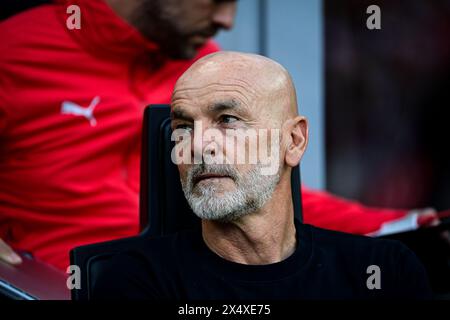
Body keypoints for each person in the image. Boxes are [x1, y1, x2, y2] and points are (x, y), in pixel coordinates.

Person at [0, 0, 437, 271]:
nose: (227, 20)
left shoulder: (204, 67)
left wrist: (413, 226)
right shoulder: (14, 52)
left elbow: (264, 187)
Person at [91, 52, 432, 300]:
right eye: (183, 127)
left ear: (293, 141)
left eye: (227, 120)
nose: (197, 145)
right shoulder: (137, 280)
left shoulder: (384, 270)